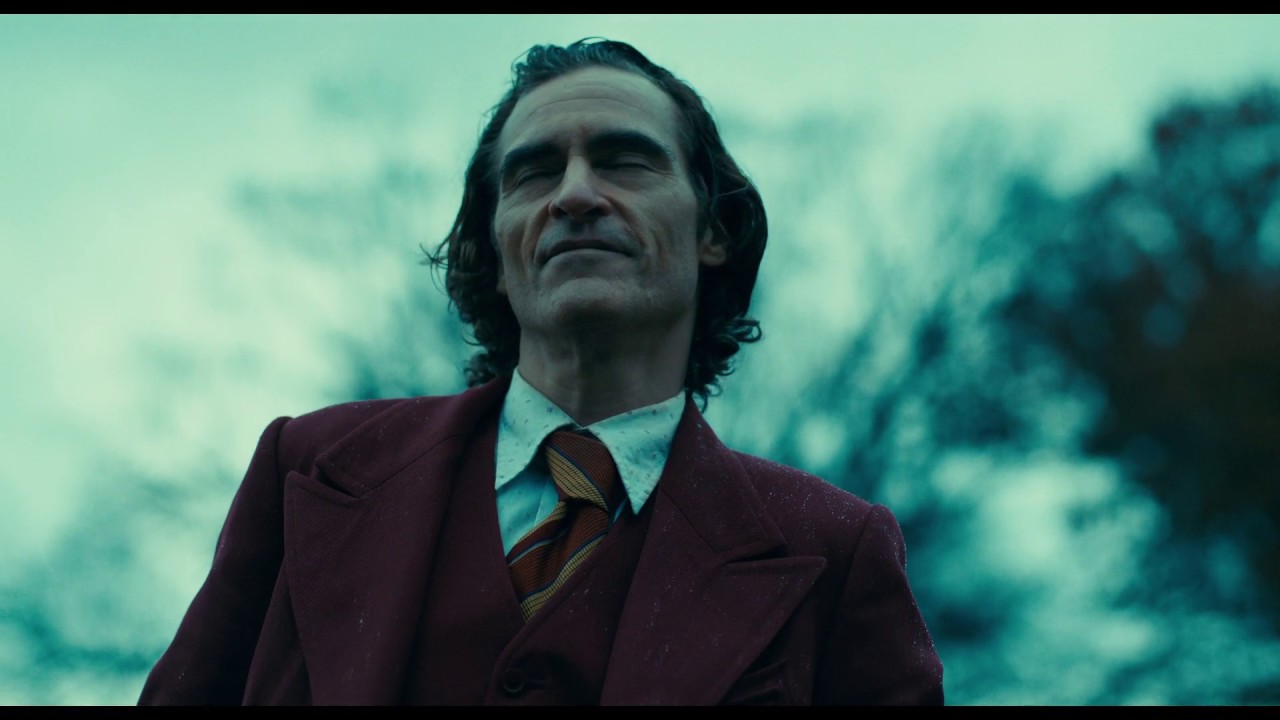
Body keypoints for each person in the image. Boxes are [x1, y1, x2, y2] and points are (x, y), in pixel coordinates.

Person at [139, 38, 943, 706]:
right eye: (534, 172)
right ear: (491, 249)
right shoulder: (308, 470)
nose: (576, 194)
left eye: (625, 162)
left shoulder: (834, 551)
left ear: (715, 230)